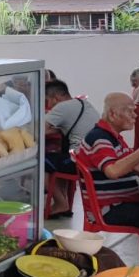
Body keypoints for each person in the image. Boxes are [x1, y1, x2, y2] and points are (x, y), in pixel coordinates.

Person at [75, 93, 139, 229]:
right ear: (113, 114)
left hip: (123, 204)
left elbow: (137, 167)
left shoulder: (114, 138)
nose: (135, 115)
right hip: (110, 209)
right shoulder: (99, 138)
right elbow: (113, 171)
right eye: (130, 111)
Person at [45, 80, 99, 216]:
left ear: (56, 97)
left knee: (40, 161)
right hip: (92, 160)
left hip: (78, 161)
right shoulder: (84, 104)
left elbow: (38, 129)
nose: (49, 105)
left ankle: (61, 202)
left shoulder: (62, 107)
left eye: (48, 101)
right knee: (57, 159)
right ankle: (64, 202)